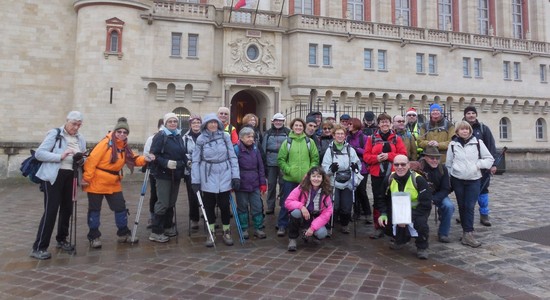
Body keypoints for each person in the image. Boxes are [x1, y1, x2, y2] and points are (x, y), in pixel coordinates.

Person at [83, 117, 153, 248]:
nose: (122, 134)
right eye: (119, 131)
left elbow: (133, 159)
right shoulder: (105, 143)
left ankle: (123, 233)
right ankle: (94, 236)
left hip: (113, 182)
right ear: (115, 131)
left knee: (120, 208)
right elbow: (92, 160)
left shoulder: (124, 147)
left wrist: (146, 159)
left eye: (125, 132)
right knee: (94, 210)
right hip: (96, 181)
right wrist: (86, 178)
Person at [30, 111, 86, 260]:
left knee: (67, 209)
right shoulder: (55, 134)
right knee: (51, 210)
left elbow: (83, 161)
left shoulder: (80, 138)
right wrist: (60, 156)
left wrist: (81, 160)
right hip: (53, 176)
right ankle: (39, 247)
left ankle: (62, 239)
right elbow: (39, 153)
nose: (76, 127)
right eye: (74, 124)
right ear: (67, 121)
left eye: (79, 125)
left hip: (71, 176)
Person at [191, 113, 240, 247]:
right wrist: (195, 180)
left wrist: (236, 175)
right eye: (210, 123)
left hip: (224, 173)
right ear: (205, 124)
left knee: (224, 205)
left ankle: (226, 230)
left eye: (215, 122)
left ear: (218, 124)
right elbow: (195, 160)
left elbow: (233, 157)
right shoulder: (200, 139)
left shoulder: (225, 137)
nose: (212, 125)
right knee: (209, 205)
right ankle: (210, 230)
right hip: (207, 174)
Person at [446, 121, 494, 248]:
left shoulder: (478, 142)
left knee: (470, 205)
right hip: (458, 180)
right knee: (462, 206)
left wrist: (477, 165)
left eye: (467, 129)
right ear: (457, 131)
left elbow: (489, 159)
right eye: (462, 129)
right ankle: (466, 232)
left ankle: (468, 233)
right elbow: (449, 164)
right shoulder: (452, 144)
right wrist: (452, 174)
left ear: (470, 131)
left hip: (474, 179)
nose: (465, 131)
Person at [378, 154, 432, 259]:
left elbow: (426, 204)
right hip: (399, 210)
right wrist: (383, 213)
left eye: (403, 164)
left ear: (408, 165)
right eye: (396, 164)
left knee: (421, 225)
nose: (400, 167)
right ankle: (401, 239)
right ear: (393, 165)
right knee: (384, 223)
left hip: (417, 211)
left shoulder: (419, 180)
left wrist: (406, 218)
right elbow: (381, 198)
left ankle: (422, 246)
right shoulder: (389, 179)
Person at [363, 113, 407, 239]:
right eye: (382, 122)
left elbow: (403, 155)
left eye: (387, 122)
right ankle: (379, 226)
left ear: (390, 123)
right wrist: (376, 158)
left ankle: (395, 227)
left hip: (393, 174)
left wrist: (389, 156)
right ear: (379, 124)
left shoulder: (396, 138)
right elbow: (366, 156)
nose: (385, 124)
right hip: (377, 174)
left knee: (393, 199)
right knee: (378, 199)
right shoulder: (371, 139)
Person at [276, 118, 319, 236]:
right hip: (289, 179)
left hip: (305, 180)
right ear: (292, 127)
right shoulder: (287, 142)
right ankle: (282, 225)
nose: (298, 128)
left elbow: (315, 159)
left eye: (300, 126)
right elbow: (281, 159)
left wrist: (310, 172)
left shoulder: (310, 142)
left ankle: (304, 225)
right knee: (286, 202)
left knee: (306, 203)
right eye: (296, 125)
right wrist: (288, 170)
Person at [148, 113, 187, 243]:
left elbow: (182, 153)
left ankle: (168, 226)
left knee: (171, 201)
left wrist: (187, 162)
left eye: (175, 121)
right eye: (170, 121)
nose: (172, 123)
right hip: (163, 175)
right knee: (163, 202)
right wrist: (166, 163)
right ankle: (156, 231)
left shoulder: (178, 136)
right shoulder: (160, 136)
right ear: (165, 123)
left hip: (176, 174)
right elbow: (154, 155)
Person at [322, 124, 361, 233]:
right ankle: (330, 224)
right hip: (334, 181)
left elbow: (357, 164)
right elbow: (325, 167)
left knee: (346, 206)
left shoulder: (350, 149)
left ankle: (345, 224)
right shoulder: (329, 150)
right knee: (335, 205)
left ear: (345, 136)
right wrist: (331, 169)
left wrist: (355, 168)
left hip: (348, 181)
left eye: (342, 134)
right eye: (337, 134)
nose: (340, 136)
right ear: (333, 135)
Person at [463, 106, 498, 227]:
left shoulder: (483, 129)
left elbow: (491, 146)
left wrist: (493, 164)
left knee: (483, 190)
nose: (471, 115)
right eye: (468, 113)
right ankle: (465, 214)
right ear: (465, 115)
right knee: (465, 191)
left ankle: (484, 215)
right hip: (465, 167)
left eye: (473, 113)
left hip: (482, 167)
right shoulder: (460, 128)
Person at [285, 166, 333, 251]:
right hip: (302, 215)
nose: (316, 179)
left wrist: (312, 228)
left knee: (322, 233)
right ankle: (292, 239)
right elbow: (288, 202)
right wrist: (301, 207)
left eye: (318, 176)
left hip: (315, 217)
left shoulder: (326, 192)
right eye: (313, 176)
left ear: (322, 178)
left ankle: (310, 234)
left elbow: (327, 213)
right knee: (295, 213)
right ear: (309, 177)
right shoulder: (301, 188)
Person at [234, 127, 267, 239]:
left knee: (257, 206)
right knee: (242, 206)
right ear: (241, 138)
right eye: (248, 136)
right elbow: (233, 167)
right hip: (241, 183)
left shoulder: (255, 149)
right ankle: (244, 228)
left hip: (254, 182)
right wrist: (233, 182)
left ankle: (258, 227)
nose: (251, 139)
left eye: (252, 136)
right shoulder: (236, 149)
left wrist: (263, 183)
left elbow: (260, 167)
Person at [416, 146, 454, 243]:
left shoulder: (443, 169)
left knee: (449, 206)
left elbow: (446, 188)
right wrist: (426, 199)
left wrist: (434, 199)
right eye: (432, 158)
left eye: (437, 158)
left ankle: (443, 233)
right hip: (421, 195)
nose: (435, 161)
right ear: (425, 158)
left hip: (437, 194)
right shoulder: (418, 168)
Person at [262, 113, 290, 215]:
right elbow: (263, 147)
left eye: (280, 121)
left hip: (284, 163)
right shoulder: (268, 133)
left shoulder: (288, 132)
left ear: (283, 122)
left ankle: (283, 205)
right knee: (271, 185)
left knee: (283, 184)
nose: (278, 122)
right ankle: (270, 206)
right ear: (273, 121)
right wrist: (264, 162)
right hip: (271, 163)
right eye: (276, 120)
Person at [346, 117, 372, 223]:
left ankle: (367, 213)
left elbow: (366, 151)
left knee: (362, 190)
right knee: (354, 191)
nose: (349, 126)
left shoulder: (364, 138)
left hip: (362, 168)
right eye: (348, 124)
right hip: (350, 166)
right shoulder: (347, 137)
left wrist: (354, 149)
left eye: (350, 124)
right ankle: (356, 212)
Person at [143, 118, 163, 229]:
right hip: (155, 171)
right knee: (154, 194)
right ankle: (152, 217)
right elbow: (146, 153)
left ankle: (163, 218)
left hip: (167, 172)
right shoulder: (152, 138)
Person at [183, 115, 202, 231]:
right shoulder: (184, 137)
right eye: (194, 123)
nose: (196, 124)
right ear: (190, 124)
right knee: (193, 195)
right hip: (189, 170)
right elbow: (182, 153)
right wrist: (188, 161)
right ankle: (194, 218)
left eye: (198, 122)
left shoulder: (205, 136)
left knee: (206, 194)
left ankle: (208, 216)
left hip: (204, 169)